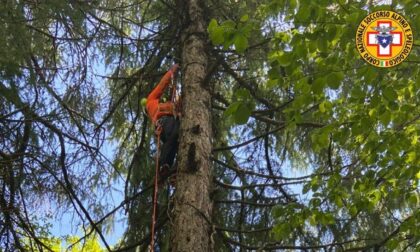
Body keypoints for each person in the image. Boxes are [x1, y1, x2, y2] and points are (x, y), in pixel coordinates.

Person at [145, 64, 180, 177]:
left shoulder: (166, 106)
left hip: (168, 124)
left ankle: (169, 167)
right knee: (174, 136)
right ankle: (164, 164)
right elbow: (161, 86)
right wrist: (171, 72)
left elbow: (176, 106)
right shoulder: (151, 102)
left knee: (174, 142)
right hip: (164, 121)